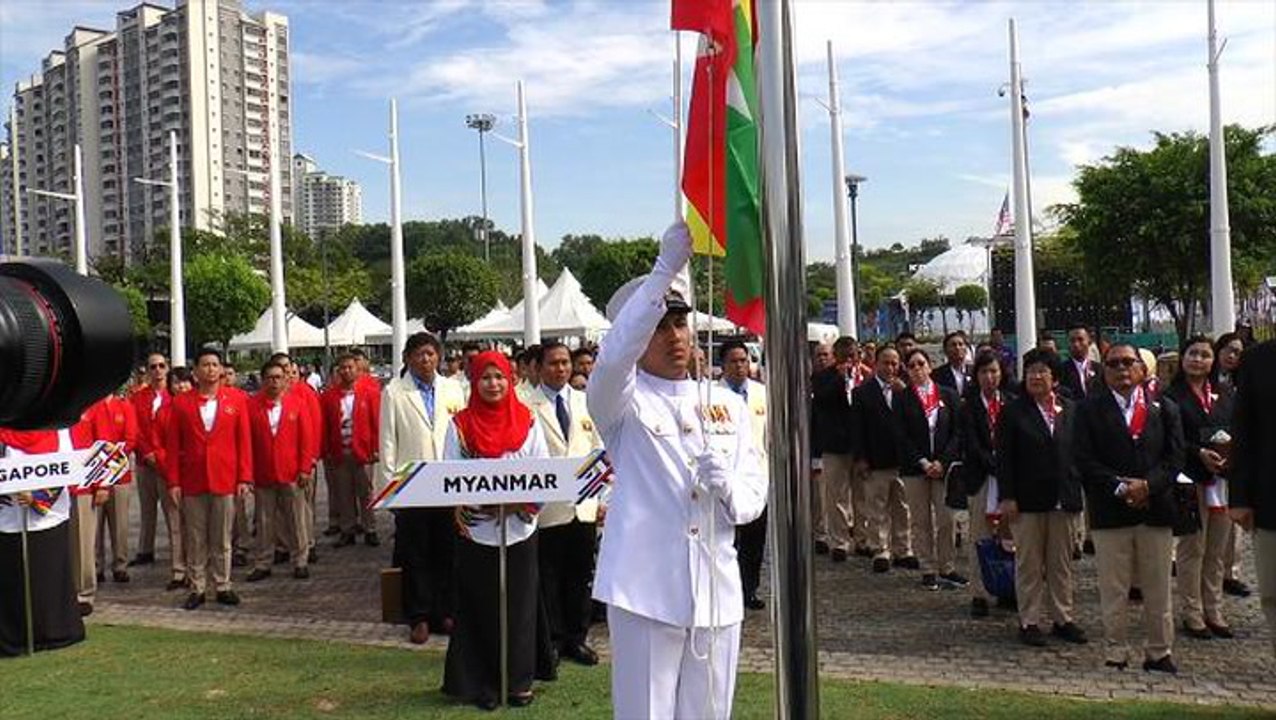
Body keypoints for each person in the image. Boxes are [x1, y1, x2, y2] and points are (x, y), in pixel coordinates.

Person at [588, 222, 767, 719]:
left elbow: (755, 490)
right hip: (645, 588)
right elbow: (611, 360)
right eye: (660, 327)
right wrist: (664, 268)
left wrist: (729, 490)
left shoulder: (725, 404)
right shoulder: (619, 402)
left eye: (680, 324)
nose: (675, 337)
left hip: (714, 588)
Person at [441, 351, 550, 710]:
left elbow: (544, 472)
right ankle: (484, 682)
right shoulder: (459, 426)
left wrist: (519, 505)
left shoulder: (529, 421)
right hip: (480, 532)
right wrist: (485, 505)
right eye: (485, 378)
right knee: (481, 607)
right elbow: (450, 477)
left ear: (511, 379)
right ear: (474, 382)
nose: (493, 384)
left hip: (519, 530)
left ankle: (518, 681)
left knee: (519, 607)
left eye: (499, 377)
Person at [1075, 343, 1184, 673]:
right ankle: (1116, 650)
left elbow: (1175, 458)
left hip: (1155, 508)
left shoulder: (1164, 409)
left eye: (1128, 363)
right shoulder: (1088, 411)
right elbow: (1083, 459)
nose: (1122, 369)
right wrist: (1121, 487)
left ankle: (1159, 651)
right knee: (1114, 588)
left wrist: (1147, 486)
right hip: (1112, 511)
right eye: (1114, 364)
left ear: (1141, 369)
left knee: (1158, 587)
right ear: (1103, 370)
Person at [379, 332, 466, 645]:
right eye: (418, 354)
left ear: (439, 356)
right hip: (411, 484)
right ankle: (418, 616)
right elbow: (387, 441)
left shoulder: (454, 389)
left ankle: (444, 611)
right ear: (407, 359)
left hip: (449, 483)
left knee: (447, 550)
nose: (425, 359)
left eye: (430, 354)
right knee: (415, 552)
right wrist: (391, 488)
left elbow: (465, 432)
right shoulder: (394, 392)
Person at [997, 349, 1087, 646]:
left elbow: (1079, 451)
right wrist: (1008, 496)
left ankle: (1063, 617)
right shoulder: (1012, 412)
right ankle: (1029, 620)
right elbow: (1005, 459)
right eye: (1030, 371)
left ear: (1054, 377)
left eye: (1042, 371)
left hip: (1063, 498)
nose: (1035, 377)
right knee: (1030, 564)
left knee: (1060, 564)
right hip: (1027, 500)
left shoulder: (1071, 409)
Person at [527, 341, 605, 664]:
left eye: (564, 363)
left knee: (580, 575)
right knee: (548, 576)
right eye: (553, 363)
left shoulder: (585, 401)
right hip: (547, 508)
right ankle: (554, 640)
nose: (560, 369)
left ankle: (578, 637)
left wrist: (601, 497)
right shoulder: (526, 405)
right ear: (538, 368)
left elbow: (599, 451)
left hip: (583, 506)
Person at [165, 348, 254, 610]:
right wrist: (173, 481)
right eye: (205, 365)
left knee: (223, 536)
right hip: (193, 480)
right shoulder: (181, 403)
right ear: (195, 371)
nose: (211, 370)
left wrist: (244, 477)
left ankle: (223, 584)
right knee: (195, 538)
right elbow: (173, 446)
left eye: (215, 365)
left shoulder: (236, 400)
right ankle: (198, 586)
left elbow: (244, 441)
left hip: (225, 478)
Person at [1163, 336, 1236, 640]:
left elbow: (1235, 430)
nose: (1198, 360)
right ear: (1183, 359)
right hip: (1189, 478)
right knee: (1193, 548)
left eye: (1205, 355)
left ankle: (1214, 609)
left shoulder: (1225, 394)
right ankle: (1192, 612)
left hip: (1221, 479)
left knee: (1217, 550)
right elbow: (1170, 439)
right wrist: (1198, 453)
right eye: (1193, 354)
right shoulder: (1171, 397)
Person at [0, 428, 88, 656]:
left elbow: (63, 468)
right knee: (13, 579)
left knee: (48, 577)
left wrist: (36, 497)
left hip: (47, 519)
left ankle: (55, 631)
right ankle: (14, 636)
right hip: (8, 517)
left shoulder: (58, 431)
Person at [896, 349, 963, 591]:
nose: (917, 369)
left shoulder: (949, 395)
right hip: (916, 469)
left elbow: (957, 432)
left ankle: (948, 566)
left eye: (921, 364)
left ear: (930, 366)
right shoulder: (902, 398)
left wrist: (943, 462)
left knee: (946, 519)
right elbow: (901, 435)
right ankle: (927, 568)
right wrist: (923, 462)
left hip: (943, 467)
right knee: (920, 520)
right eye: (911, 365)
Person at [245, 360, 317, 582]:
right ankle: (263, 562)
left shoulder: (297, 403)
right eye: (270, 378)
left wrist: (305, 468)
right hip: (264, 472)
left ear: (286, 379)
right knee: (265, 522)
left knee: (296, 518)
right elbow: (247, 442)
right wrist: (248, 474)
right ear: (262, 380)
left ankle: (300, 560)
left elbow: (306, 438)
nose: (274, 382)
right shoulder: (252, 406)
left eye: (278, 377)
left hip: (292, 472)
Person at [1230, 340, 1276, 654]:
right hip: (1270, 497)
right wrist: (1240, 497)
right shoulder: (1257, 360)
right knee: (1273, 591)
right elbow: (1243, 431)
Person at [853, 345, 916, 573]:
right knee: (877, 507)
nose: (891, 368)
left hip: (902, 459)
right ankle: (880, 549)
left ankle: (904, 549)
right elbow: (858, 428)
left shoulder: (906, 390)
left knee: (903, 507)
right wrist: (861, 458)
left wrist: (907, 393)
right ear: (876, 364)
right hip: (876, 458)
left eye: (894, 363)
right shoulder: (863, 392)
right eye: (886, 363)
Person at [717, 340, 769, 610]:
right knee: (728, 538)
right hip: (725, 478)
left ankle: (749, 588)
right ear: (723, 365)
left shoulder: (761, 394)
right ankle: (727, 590)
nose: (740, 366)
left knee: (754, 539)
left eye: (744, 360)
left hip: (756, 477)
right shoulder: (713, 396)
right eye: (734, 361)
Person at [960, 351, 1012, 617]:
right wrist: (994, 464)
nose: (989, 378)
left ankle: (1006, 588)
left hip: (1010, 479)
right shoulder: (969, 405)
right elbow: (971, 443)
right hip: (981, 477)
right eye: (983, 372)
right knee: (979, 536)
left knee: (1008, 537)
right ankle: (978, 592)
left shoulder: (1012, 402)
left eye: (993, 371)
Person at [812, 337, 868, 562]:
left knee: (862, 495)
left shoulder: (865, 376)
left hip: (861, 443)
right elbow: (822, 400)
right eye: (843, 356)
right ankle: (840, 541)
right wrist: (839, 377)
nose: (849, 360)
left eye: (852, 356)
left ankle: (863, 539)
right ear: (836, 357)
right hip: (835, 444)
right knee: (837, 496)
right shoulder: (823, 377)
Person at [320, 353, 381, 548]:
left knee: (366, 492)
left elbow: (376, 422)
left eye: (350, 367)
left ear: (357, 369)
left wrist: (376, 448)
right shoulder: (329, 396)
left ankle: (370, 527)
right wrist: (326, 450)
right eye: (342, 368)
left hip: (363, 451)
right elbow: (326, 426)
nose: (346, 371)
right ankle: (348, 529)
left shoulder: (369, 393)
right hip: (340, 451)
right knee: (343, 493)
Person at [1212, 331, 1251, 597]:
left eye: (1237, 351)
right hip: (1210, 455)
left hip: (1236, 456)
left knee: (1233, 520)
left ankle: (1231, 572)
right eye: (1227, 349)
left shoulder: (1247, 382)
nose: (1231, 355)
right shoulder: (1207, 381)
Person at [151, 366, 193, 590]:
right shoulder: (163, 412)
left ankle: (196, 569)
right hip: (170, 475)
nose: (181, 386)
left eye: (185, 381)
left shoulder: (199, 407)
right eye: (176, 382)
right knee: (176, 525)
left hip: (195, 476)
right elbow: (158, 445)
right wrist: (170, 471)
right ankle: (178, 570)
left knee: (196, 527)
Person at [91, 390, 139, 585]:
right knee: (95, 525)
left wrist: (112, 465)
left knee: (119, 523)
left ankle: (120, 564)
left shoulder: (124, 405)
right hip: (93, 473)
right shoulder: (91, 405)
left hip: (119, 473)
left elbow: (131, 438)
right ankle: (96, 565)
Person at [130, 352, 170, 568]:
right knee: (147, 509)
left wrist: (161, 454)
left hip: (167, 461)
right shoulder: (138, 398)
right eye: (153, 367)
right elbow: (134, 428)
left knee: (172, 509)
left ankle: (179, 552)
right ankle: (145, 549)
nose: (157, 371)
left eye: (161, 366)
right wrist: (146, 452)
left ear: (168, 368)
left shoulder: (174, 396)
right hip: (145, 461)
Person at [1060, 325, 1102, 400]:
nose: (1076, 344)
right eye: (1072, 340)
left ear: (1089, 341)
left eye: (1080, 339)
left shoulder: (1100, 370)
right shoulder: (1061, 370)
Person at [932, 331, 971, 397]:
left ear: (966, 349)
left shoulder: (974, 371)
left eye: (961, 344)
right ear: (945, 350)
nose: (957, 348)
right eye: (953, 345)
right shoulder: (937, 374)